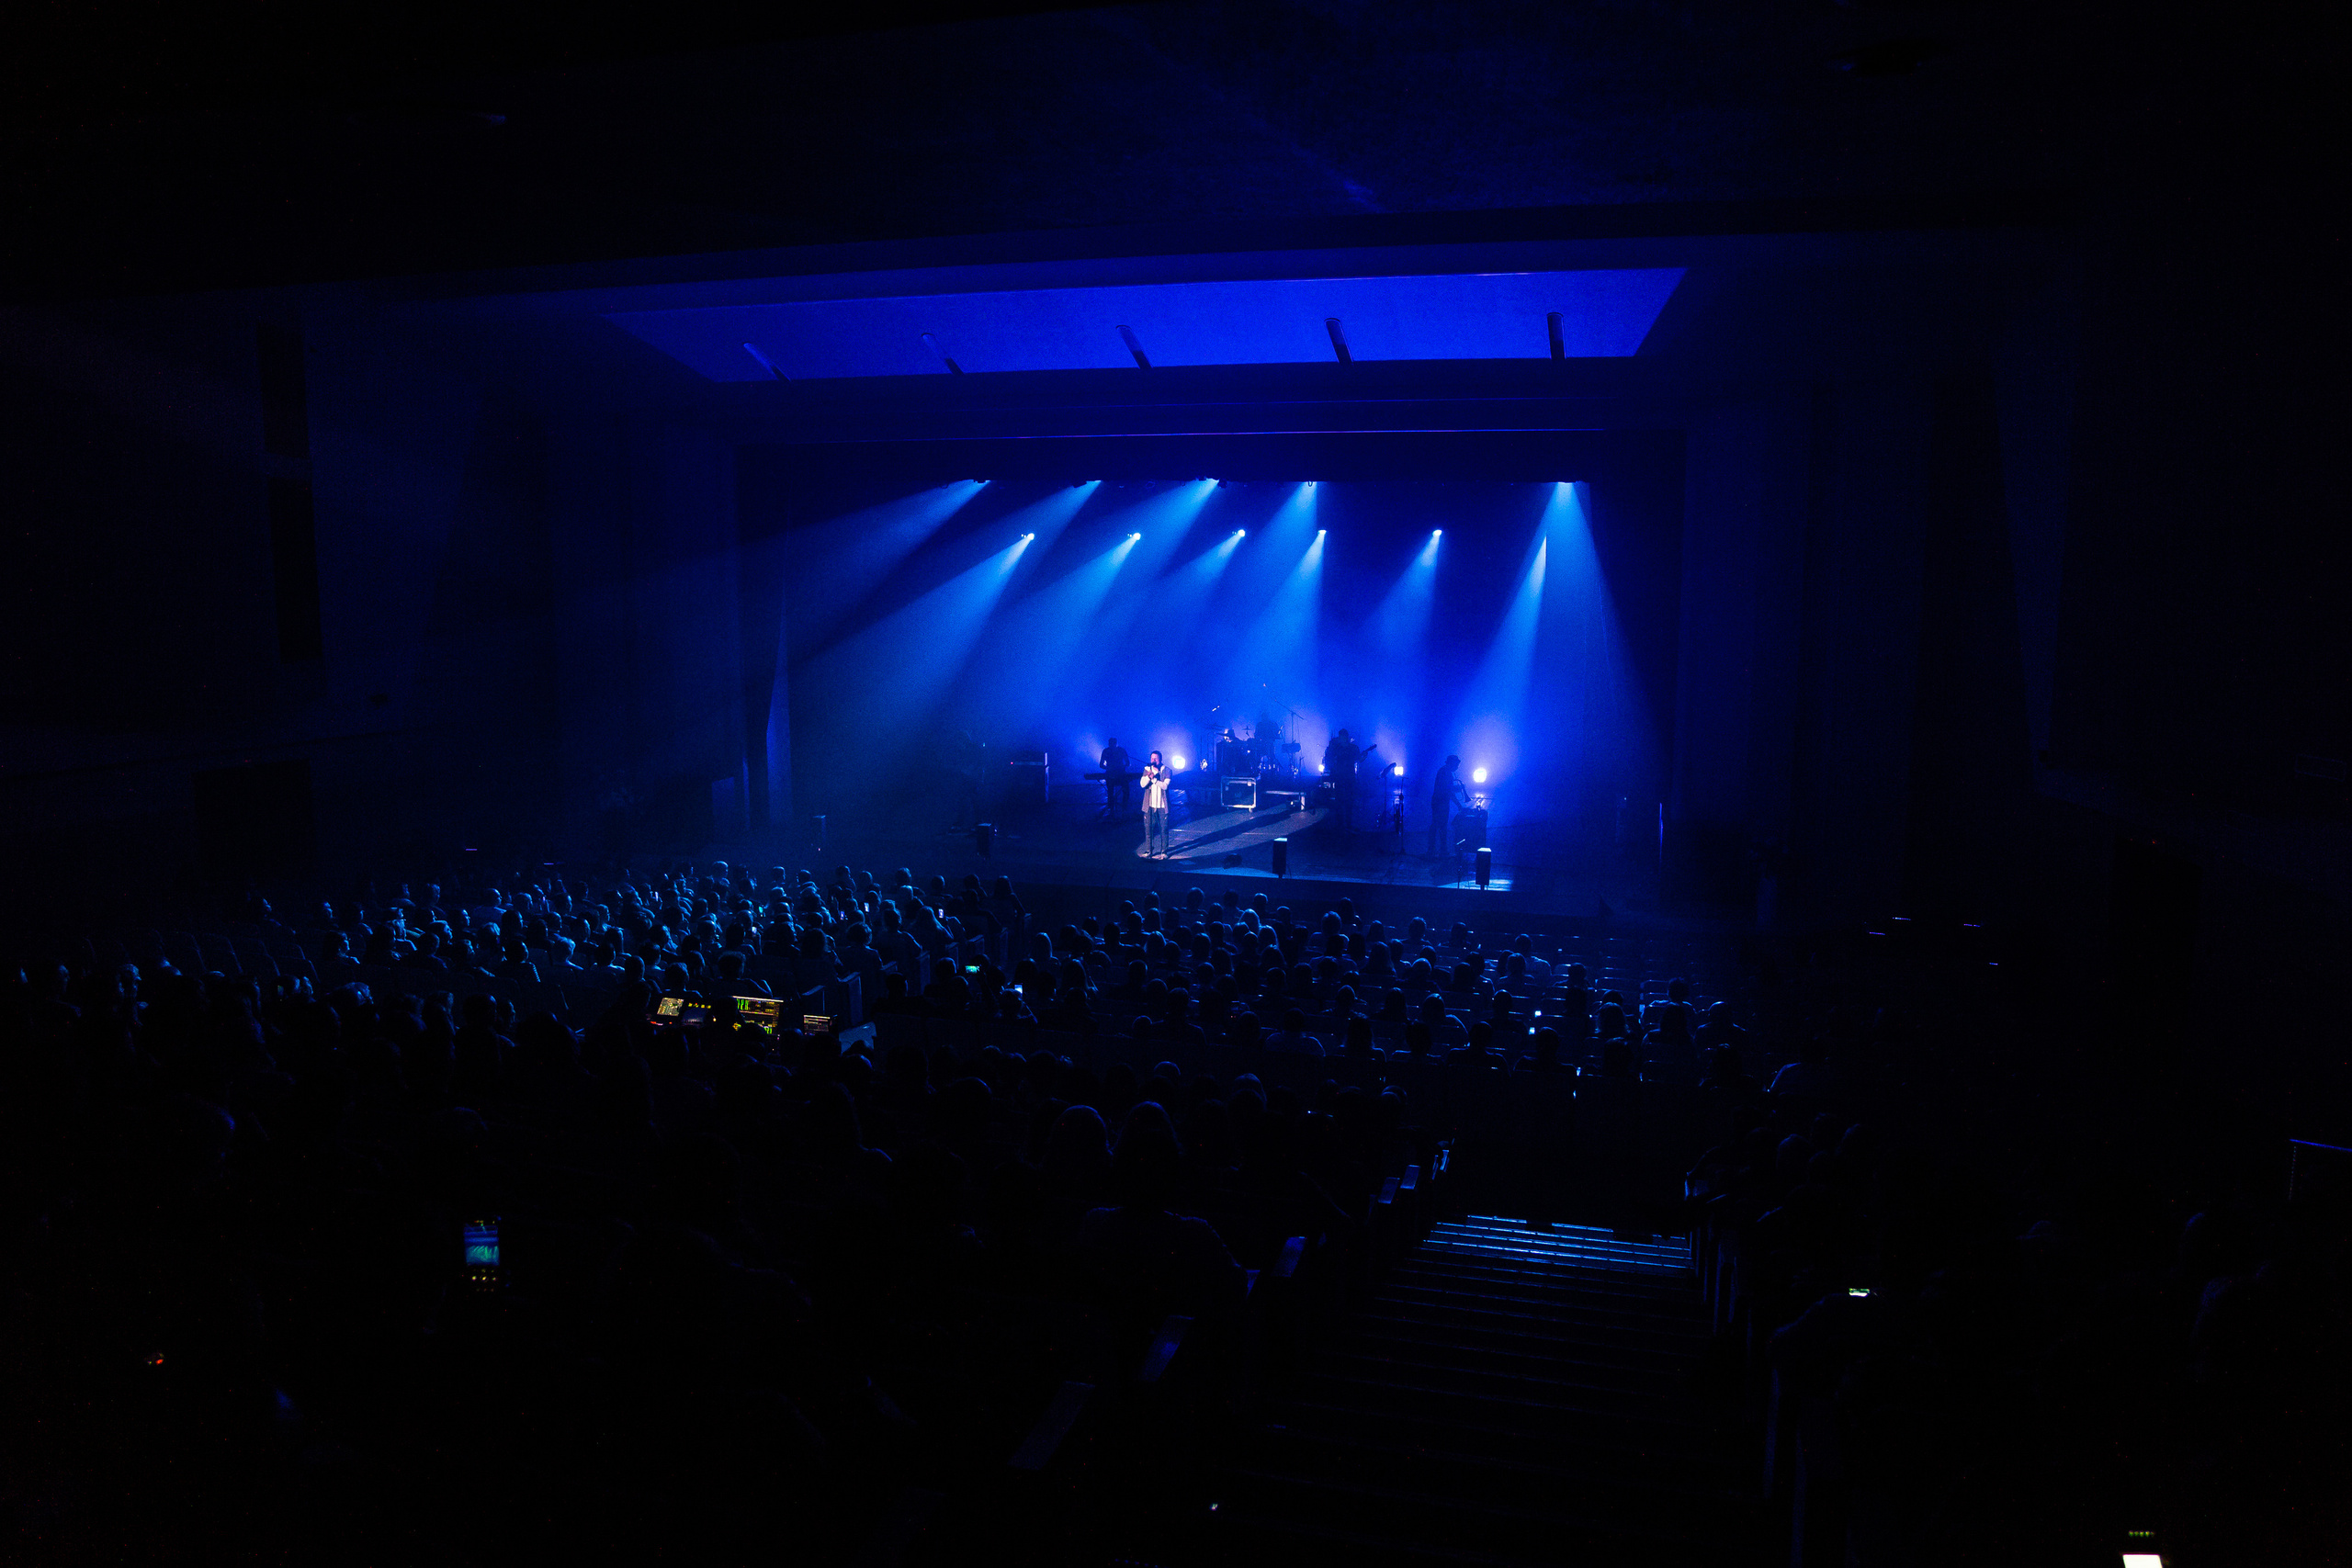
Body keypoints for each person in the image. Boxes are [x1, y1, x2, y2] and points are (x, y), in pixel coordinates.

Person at [1428, 754, 1467, 858]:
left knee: (1439, 826)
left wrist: (1456, 790)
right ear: (1452, 763)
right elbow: (1448, 790)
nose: (1457, 767)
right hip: (1440, 803)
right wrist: (1458, 802)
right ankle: (1439, 850)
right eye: (1456, 764)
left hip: (1440, 802)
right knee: (1439, 826)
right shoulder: (1445, 773)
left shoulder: (1445, 771)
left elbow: (1447, 789)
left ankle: (1436, 850)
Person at [1322, 728, 1363, 830]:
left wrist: (1364, 756)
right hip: (1340, 777)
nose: (1341, 739)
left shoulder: (1353, 748)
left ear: (1345, 737)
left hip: (1348, 778)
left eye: (1342, 737)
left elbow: (1359, 759)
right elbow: (1328, 759)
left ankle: (1347, 824)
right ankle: (1340, 824)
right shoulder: (1336, 748)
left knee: (1349, 801)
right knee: (1340, 801)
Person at [1139, 750, 1175, 859]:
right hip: (1149, 805)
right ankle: (1149, 850)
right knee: (1148, 829)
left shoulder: (1167, 770)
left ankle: (1164, 851)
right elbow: (1142, 784)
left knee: (1163, 829)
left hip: (1162, 806)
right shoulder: (1147, 770)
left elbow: (1165, 786)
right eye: (1152, 758)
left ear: (1161, 759)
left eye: (1156, 758)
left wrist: (1154, 778)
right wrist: (1149, 776)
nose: (1154, 760)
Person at [1099, 737, 1132, 816]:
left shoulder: (1121, 750)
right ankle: (1112, 810)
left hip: (1120, 774)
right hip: (1111, 775)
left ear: (1116, 744)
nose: (1112, 745)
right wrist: (1109, 768)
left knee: (1125, 791)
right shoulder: (1106, 751)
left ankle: (1123, 808)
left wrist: (1122, 767)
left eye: (1113, 744)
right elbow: (1101, 764)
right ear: (1109, 744)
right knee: (1111, 792)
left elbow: (1128, 763)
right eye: (1111, 744)